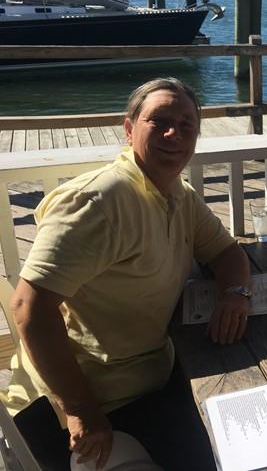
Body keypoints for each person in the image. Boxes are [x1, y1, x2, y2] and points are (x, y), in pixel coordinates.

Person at [1, 78, 252, 471]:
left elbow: (226, 251)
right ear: (130, 128)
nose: (175, 134)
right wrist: (81, 411)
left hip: (154, 375)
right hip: (83, 403)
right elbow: (28, 309)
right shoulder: (100, 201)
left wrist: (236, 293)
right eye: (160, 121)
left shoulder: (176, 193)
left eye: (187, 125)